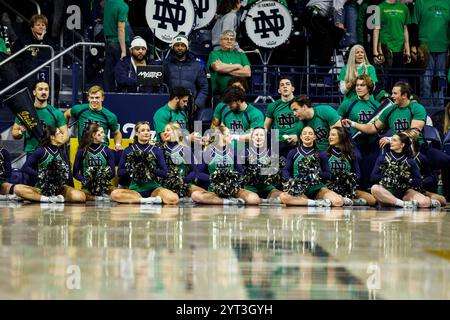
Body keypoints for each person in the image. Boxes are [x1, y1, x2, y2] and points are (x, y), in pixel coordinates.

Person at [110, 121, 178, 205]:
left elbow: (165, 173)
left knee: (173, 199)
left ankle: (145, 200)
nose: (146, 132)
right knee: (114, 194)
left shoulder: (156, 150)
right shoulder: (128, 150)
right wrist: (133, 169)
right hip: (135, 190)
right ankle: (146, 200)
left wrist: (150, 169)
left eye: (148, 130)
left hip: (154, 189)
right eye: (142, 130)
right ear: (136, 133)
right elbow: (120, 172)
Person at [14, 126, 86, 203]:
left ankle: (48, 198)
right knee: (17, 188)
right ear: (52, 137)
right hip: (42, 187)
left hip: (59, 188)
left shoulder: (62, 153)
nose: (62, 135)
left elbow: (68, 173)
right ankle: (48, 199)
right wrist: (41, 176)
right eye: (59, 133)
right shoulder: (41, 151)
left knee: (81, 197)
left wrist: (61, 180)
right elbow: (25, 167)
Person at [194, 125, 259, 205]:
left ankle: (228, 200)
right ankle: (228, 202)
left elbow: (240, 172)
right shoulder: (208, 153)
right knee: (195, 195)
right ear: (221, 136)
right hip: (214, 190)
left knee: (254, 199)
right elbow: (198, 173)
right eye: (228, 134)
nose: (230, 136)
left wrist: (232, 181)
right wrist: (214, 179)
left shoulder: (233, 152)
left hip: (232, 189)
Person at [280, 126, 343, 207]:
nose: (307, 136)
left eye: (310, 134)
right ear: (301, 137)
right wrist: (291, 181)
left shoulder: (321, 154)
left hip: (317, 188)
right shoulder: (293, 152)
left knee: (338, 202)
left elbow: (328, 174)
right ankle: (316, 203)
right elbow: (285, 170)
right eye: (304, 133)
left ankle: (308, 201)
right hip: (299, 189)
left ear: (314, 137)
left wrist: (315, 173)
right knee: (283, 197)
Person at [337, 75, 380, 190]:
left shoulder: (376, 105)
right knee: (358, 159)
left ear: (369, 88)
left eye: (362, 85)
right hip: (354, 143)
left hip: (372, 143)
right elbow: (336, 122)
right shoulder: (347, 103)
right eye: (357, 85)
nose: (358, 88)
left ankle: (369, 190)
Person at [370, 132, 431, 209]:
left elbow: (418, 182)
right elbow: (372, 178)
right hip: (386, 192)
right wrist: (387, 175)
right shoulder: (383, 158)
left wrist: (406, 179)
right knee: (374, 188)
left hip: (404, 193)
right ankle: (402, 204)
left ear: (402, 145)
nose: (391, 142)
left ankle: (430, 201)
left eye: (394, 140)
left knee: (425, 203)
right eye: (391, 140)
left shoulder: (410, 161)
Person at [12, 81, 68, 156]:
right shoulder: (25, 112)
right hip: (31, 152)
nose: (44, 92)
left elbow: (65, 135)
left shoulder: (56, 113)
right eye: (40, 89)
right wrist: (21, 131)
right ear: (34, 92)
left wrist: (54, 147)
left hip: (50, 154)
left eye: (46, 89)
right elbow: (14, 134)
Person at [411, 0, 450, 110]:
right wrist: (414, 45)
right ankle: (426, 113)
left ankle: (440, 111)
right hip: (425, 49)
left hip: (443, 48)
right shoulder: (420, 2)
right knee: (426, 82)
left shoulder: (448, 2)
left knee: (441, 81)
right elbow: (414, 25)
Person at [327, 127, 377, 206]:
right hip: (330, 189)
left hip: (347, 189)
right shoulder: (325, 155)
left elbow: (357, 174)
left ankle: (348, 201)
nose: (330, 137)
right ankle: (347, 201)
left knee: (372, 200)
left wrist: (348, 182)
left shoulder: (351, 155)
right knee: (336, 199)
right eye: (329, 135)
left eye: (333, 135)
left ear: (341, 136)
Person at [64, 85, 122, 152]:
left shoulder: (109, 116)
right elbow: (67, 114)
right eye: (92, 97)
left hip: (102, 151)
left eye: (97, 98)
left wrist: (118, 144)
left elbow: (117, 133)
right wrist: (65, 130)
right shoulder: (79, 109)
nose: (94, 100)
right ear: (88, 98)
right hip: (84, 149)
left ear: (102, 98)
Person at [163, 33, 208, 112]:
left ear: (187, 47)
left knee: (197, 124)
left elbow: (204, 88)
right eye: (177, 45)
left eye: (183, 45)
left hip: (191, 108)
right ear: (172, 47)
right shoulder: (166, 65)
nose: (180, 48)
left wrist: (197, 104)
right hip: (171, 107)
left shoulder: (197, 65)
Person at [73, 124, 116, 201]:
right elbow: (75, 173)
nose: (104, 135)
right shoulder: (82, 151)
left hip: (104, 186)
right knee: (80, 196)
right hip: (87, 188)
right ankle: (96, 198)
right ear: (93, 135)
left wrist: (101, 182)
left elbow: (112, 172)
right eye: (102, 132)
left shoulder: (107, 151)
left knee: (117, 193)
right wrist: (86, 181)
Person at [404, 128, 445, 207]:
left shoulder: (421, 158)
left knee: (442, 200)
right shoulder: (401, 156)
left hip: (420, 188)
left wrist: (421, 182)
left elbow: (430, 176)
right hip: (405, 189)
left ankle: (429, 201)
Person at [241, 127, 283, 204]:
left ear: (265, 137)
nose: (259, 137)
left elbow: (276, 171)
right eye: (256, 134)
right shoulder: (245, 152)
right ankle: (263, 201)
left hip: (267, 188)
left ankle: (265, 200)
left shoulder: (270, 152)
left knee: (284, 196)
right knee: (253, 200)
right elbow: (240, 172)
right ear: (252, 137)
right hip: (250, 188)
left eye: (261, 135)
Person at [11, 14, 55, 88]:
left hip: (43, 71)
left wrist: (40, 41)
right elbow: (16, 57)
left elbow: (46, 58)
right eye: (38, 25)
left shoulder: (49, 42)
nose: (41, 27)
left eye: (43, 25)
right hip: (24, 72)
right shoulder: (23, 40)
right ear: (32, 28)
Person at [264, 77, 302, 158]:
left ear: (292, 88)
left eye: (287, 84)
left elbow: (307, 124)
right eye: (282, 85)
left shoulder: (300, 104)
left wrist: (298, 137)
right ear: (279, 90)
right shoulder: (273, 106)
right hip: (277, 141)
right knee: (271, 168)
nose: (285, 86)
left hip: (296, 140)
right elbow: (265, 127)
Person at [207, 30, 251, 96]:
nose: (229, 41)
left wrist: (223, 69)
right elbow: (217, 67)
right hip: (220, 94)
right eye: (226, 39)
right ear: (220, 41)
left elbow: (247, 73)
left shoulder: (241, 54)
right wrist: (238, 66)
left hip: (239, 93)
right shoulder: (214, 54)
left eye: (232, 39)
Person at [303, 0, 346, 67]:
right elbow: (337, 7)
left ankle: (322, 58)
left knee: (335, 33)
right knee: (328, 37)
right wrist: (338, 23)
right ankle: (323, 65)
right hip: (313, 13)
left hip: (319, 16)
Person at [372, 0, 411, 68]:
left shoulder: (404, 8)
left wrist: (408, 51)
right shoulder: (379, 7)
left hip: (400, 48)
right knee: (386, 76)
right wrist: (375, 52)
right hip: (384, 49)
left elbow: (405, 29)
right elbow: (376, 29)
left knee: (398, 76)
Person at [102, 0, 131, 92]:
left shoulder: (107, 3)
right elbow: (121, 28)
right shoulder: (123, 6)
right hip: (119, 43)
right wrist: (123, 50)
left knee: (108, 74)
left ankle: (108, 97)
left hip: (109, 42)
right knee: (122, 73)